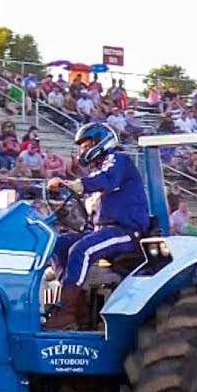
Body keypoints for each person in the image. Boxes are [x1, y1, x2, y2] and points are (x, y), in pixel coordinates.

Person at [43, 122, 150, 330]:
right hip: (102, 230)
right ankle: (79, 310)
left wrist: (76, 184)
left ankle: (66, 311)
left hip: (126, 231)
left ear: (101, 141)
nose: (82, 150)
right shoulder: (96, 173)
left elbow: (106, 179)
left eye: (86, 144)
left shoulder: (118, 160)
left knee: (82, 249)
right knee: (56, 244)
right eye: (81, 146)